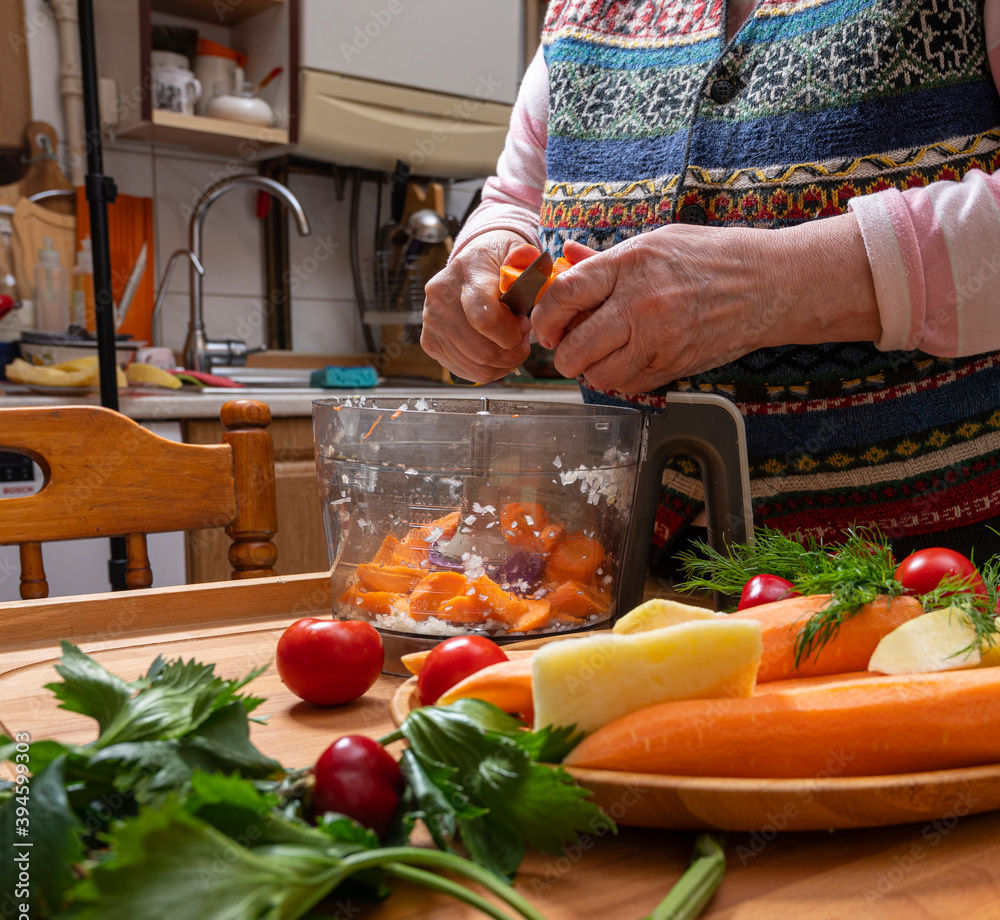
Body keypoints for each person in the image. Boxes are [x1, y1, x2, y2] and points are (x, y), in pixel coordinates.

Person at [421, 0, 1000, 567]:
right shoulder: (583, 9)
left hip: (942, 572)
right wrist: (484, 250)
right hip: (632, 567)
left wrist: (768, 286)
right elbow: (518, 199)